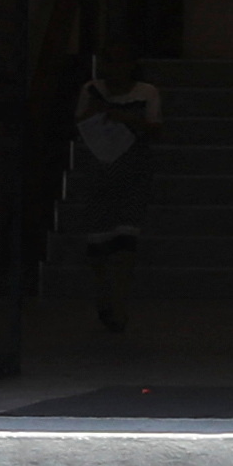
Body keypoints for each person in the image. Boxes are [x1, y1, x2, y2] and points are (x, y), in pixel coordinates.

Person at [69, 47, 165, 332]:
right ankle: (104, 293)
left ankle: (119, 303)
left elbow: (155, 129)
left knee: (126, 237)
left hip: (133, 170)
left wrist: (125, 119)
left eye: (121, 61)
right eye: (110, 61)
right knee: (99, 240)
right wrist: (95, 112)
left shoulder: (146, 92)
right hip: (98, 169)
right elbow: (78, 125)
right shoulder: (91, 90)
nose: (115, 68)